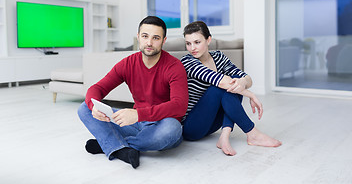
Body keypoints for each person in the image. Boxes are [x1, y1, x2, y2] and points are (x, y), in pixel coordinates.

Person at [78, 16, 189, 168]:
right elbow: (97, 88)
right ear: (138, 37)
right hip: (136, 124)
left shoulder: (174, 67)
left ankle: (111, 145)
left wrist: (138, 114)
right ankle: (120, 148)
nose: (149, 42)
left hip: (162, 123)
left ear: (163, 41)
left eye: (156, 38)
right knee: (84, 108)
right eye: (145, 36)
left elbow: (179, 106)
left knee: (172, 129)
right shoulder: (128, 63)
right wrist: (93, 106)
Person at [181, 21, 281, 156]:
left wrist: (243, 82)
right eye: (188, 43)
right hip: (192, 127)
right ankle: (252, 133)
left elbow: (246, 79)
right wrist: (250, 94)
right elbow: (219, 81)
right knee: (219, 87)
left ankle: (224, 136)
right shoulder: (187, 61)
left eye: (197, 42)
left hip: (213, 124)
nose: (192, 48)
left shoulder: (219, 57)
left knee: (236, 81)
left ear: (208, 40)